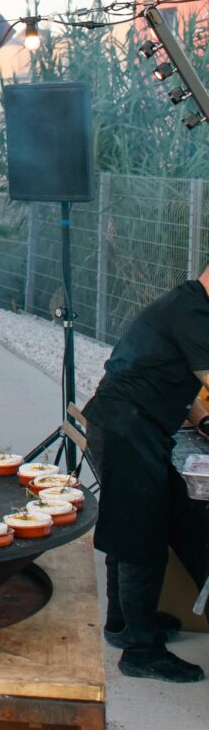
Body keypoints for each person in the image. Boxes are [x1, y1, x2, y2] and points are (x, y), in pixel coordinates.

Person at [83, 267, 209, 683]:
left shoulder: (186, 304)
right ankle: (141, 650)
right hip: (127, 426)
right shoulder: (193, 312)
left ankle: (123, 625)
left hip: (122, 422)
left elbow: (179, 380)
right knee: (143, 537)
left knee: (131, 526)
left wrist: (203, 420)